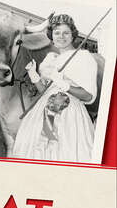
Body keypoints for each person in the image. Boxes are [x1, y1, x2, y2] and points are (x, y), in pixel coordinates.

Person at [12, 13, 98, 162]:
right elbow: (44, 92)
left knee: (63, 154)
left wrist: (64, 84)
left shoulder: (83, 58)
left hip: (68, 116)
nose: (61, 37)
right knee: (38, 150)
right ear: (51, 35)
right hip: (43, 113)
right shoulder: (50, 58)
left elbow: (88, 96)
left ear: (73, 35)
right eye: (57, 33)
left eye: (66, 33)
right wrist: (33, 74)